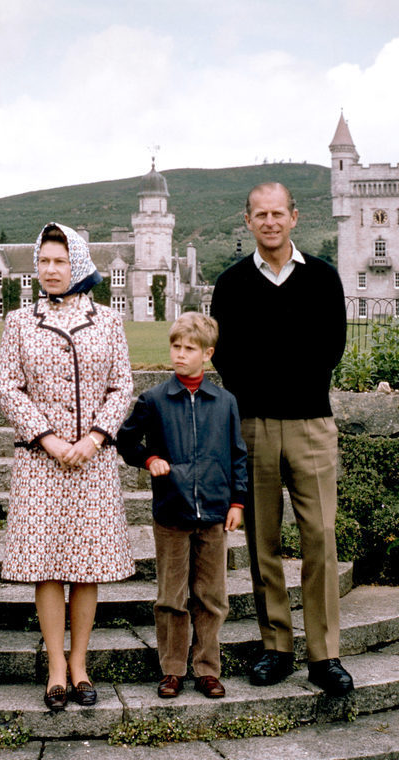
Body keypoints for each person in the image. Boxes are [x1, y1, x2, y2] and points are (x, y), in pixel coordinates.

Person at [209, 182, 353, 696]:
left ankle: (324, 654)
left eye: (278, 213)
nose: (270, 222)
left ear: (294, 217)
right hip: (254, 426)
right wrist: (259, 389)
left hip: (312, 422)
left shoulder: (324, 278)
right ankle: (276, 647)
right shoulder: (230, 284)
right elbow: (225, 356)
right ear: (247, 220)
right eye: (260, 214)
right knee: (262, 541)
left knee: (319, 538)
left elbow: (331, 345)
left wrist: (286, 378)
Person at [0, 222, 135, 711]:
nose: (50, 270)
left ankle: (80, 663)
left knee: (87, 564)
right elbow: (9, 387)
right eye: (43, 261)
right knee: (47, 566)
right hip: (41, 462)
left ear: (77, 263)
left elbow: (122, 386)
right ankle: (55, 666)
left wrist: (96, 436)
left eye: (59, 261)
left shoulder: (109, 321)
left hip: (93, 463)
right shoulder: (19, 321)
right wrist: (50, 440)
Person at [117, 313, 246, 699]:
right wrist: (149, 458)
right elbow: (125, 441)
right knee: (171, 597)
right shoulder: (154, 400)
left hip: (213, 515)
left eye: (189, 349)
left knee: (211, 597)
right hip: (171, 514)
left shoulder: (225, 402)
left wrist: (237, 502)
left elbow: (238, 455)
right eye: (175, 347)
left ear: (206, 354)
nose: (180, 354)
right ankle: (172, 669)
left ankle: (207, 668)